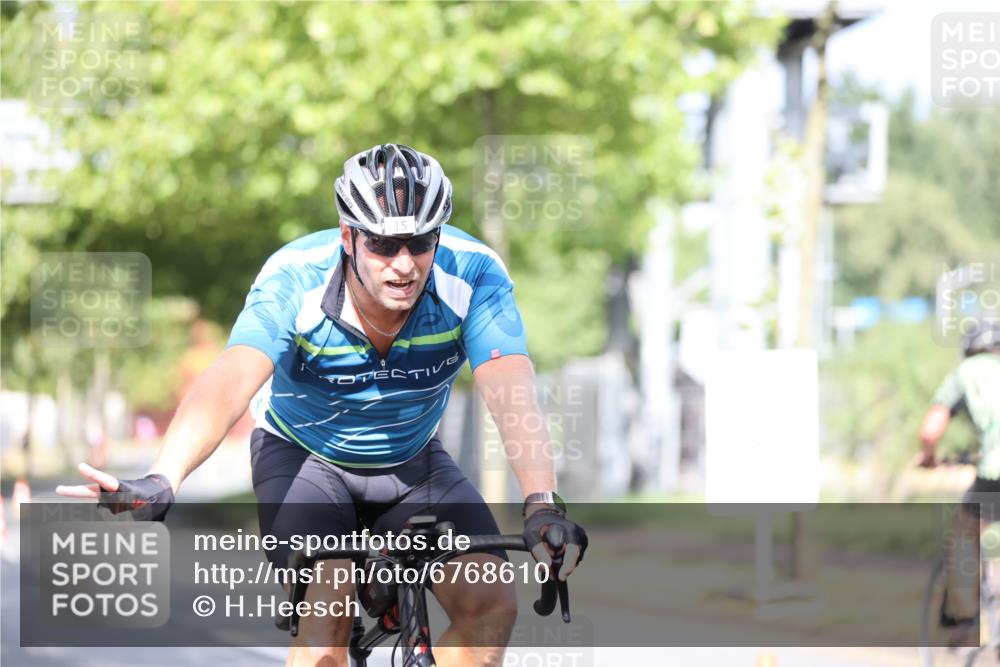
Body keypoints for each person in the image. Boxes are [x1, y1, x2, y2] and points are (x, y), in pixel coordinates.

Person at [57, 143, 587, 667]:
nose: (404, 264)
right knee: (328, 598)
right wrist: (163, 478)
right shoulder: (295, 278)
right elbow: (232, 376)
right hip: (305, 458)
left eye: (420, 242)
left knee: (491, 604)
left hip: (410, 459)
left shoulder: (473, 274)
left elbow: (511, 390)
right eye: (383, 244)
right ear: (348, 237)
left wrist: (541, 504)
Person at [917, 319, 1000, 643]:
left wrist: (928, 458)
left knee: (965, 531)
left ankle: (965, 616)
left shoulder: (969, 372)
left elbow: (930, 431)